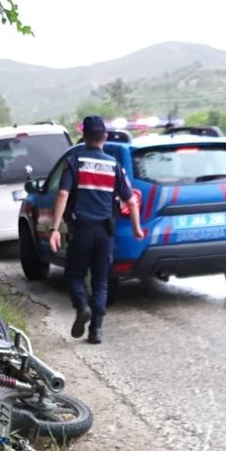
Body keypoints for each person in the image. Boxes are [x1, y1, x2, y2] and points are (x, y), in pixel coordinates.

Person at [49, 114, 144, 345]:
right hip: (105, 232)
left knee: (74, 275)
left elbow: (62, 194)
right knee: (101, 280)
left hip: (81, 230)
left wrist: (54, 228)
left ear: (84, 137)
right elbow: (130, 201)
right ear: (104, 137)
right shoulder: (114, 165)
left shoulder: (74, 161)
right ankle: (96, 330)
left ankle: (82, 305)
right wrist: (136, 229)